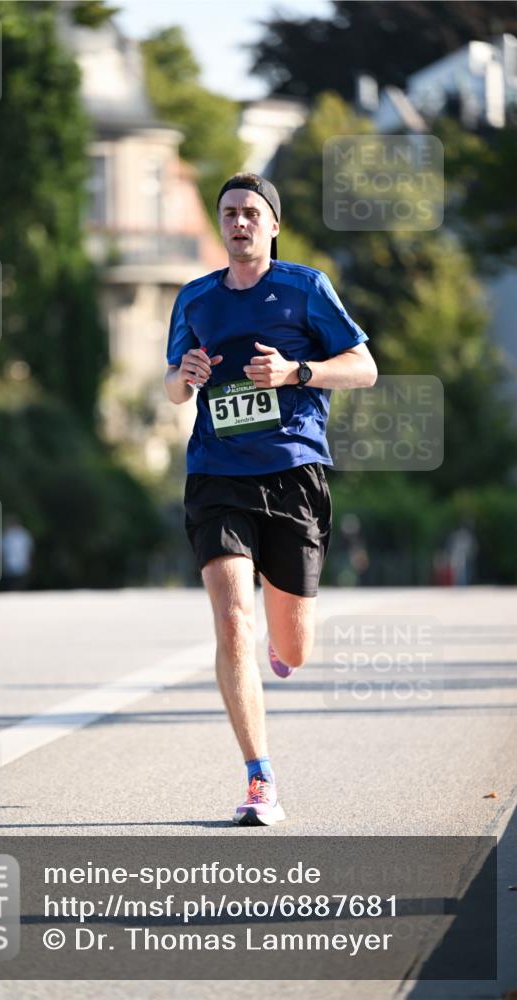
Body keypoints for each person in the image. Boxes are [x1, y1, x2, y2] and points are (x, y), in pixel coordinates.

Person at [164, 172, 377, 826]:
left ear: (272, 224)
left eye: (251, 212)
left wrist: (295, 372)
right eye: (229, 212)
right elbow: (172, 389)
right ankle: (259, 777)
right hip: (217, 473)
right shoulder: (196, 298)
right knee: (233, 621)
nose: (239, 223)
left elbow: (363, 368)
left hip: (291, 474)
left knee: (293, 643)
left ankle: (285, 650)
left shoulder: (305, 288)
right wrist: (187, 376)